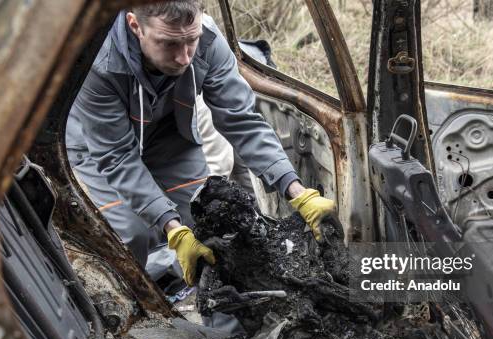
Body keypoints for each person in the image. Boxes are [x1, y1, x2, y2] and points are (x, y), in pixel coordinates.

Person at [66, 0, 340, 287]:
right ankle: (130, 308)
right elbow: (118, 156)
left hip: (168, 135)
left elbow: (241, 120)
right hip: (99, 146)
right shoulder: (98, 60)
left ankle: (225, 323)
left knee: (206, 222)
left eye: (190, 41)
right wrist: (172, 229)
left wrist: (297, 191)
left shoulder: (208, 40)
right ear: (136, 26)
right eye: (169, 43)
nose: (184, 58)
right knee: (133, 234)